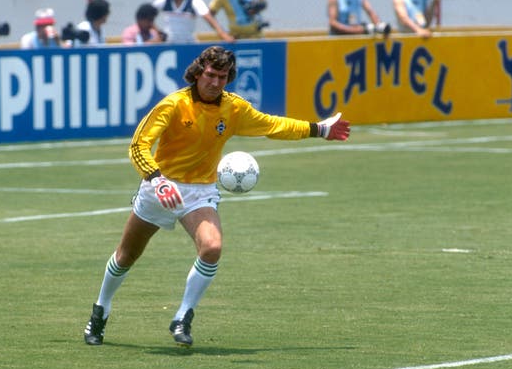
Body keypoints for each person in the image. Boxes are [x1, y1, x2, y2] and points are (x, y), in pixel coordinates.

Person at [82, 45, 351, 348]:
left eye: (222, 77)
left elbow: (273, 125)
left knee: (212, 247)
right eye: (210, 74)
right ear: (198, 73)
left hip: (199, 192)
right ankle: (100, 310)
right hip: (161, 188)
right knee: (126, 256)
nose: (215, 82)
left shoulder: (234, 108)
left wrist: (319, 129)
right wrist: (156, 179)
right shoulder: (173, 104)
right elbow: (138, 145)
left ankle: (183, 316)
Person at [152, 0, 234, 44]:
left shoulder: (194, 1)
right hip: (169, 43)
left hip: (188, 43)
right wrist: (158, 32)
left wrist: (223, 34)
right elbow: (146, 15)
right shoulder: (163, 0)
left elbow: (209, 18)